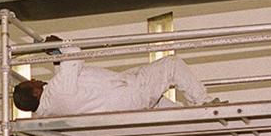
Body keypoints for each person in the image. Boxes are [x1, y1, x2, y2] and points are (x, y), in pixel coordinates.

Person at [12, 37, 211, 116]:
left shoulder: (50, 109)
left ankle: (196, 116)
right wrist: (60, 44)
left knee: (176, 114)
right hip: (129, 93)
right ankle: (204, 103)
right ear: (36, 91)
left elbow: (67, 73)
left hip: (125, 104)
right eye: (32, 82)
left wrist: (56, 55)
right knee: (171, 65)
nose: (35, 79)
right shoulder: (57, 90)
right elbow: (74, 54)